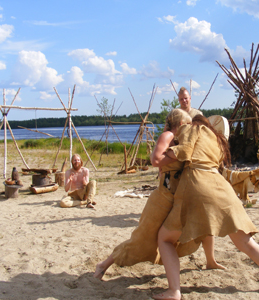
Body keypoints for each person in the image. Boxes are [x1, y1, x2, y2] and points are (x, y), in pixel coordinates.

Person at [153, 115, 259, 300]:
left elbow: (185, 151)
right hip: (222, 189)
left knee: (164, 238)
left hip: (196, 187)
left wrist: (164, 155)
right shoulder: (217, 140)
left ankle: (174, 291)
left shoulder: (191, 129)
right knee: (247, 244)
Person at [94, 109, 224, 280]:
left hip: (179, 197)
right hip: (163, 198)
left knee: (204, 226)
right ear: (180, 124)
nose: (190, 128)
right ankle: (103, 264)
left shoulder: (183, 140)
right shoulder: (168, 136)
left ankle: (211, 260)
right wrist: (177, 155)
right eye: (187, 125)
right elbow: (155, 160)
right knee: (141, 239)